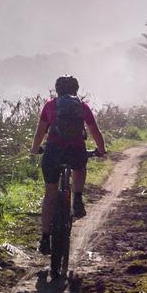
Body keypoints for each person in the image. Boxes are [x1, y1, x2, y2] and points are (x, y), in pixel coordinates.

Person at [30, 75, 107, 255]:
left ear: (57, 90)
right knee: (80, 166)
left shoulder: (50, 106)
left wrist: (34, 150)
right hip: (75, 151)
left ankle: (45, 237)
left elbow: (40, 132)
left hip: (53, 153)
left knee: (50, 194)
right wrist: (101, 150)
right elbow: (95, 131)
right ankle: (78, 198)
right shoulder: (82, 106)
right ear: (76, 90)